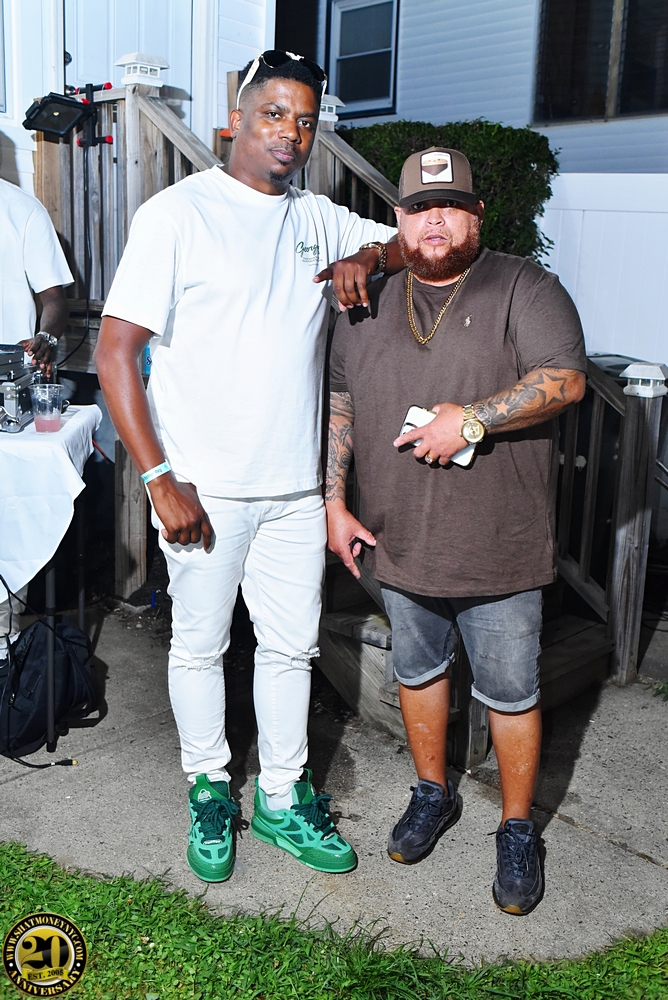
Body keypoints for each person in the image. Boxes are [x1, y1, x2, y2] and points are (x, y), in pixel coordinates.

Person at [95, 50, 400, 883]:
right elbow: (116, 353)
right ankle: (207, 789)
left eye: (306, 120)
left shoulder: (319, 218)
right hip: (204, 487)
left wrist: (367, 259)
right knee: (200, 647)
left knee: (289, 650)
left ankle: (281, 797)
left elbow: (411, 243)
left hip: (295, 490)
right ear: (236, 120)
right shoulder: (177, 214)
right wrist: (159, 478)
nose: (291, 133)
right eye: (274, 114)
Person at [325, 146, 586, 915]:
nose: (434, 221)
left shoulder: (525, 287)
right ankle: (431, 793)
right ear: (398, 220)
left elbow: (566, 380)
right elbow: (340, 403)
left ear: (476, 214)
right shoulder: (366, 301)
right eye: (419, 208)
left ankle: (516, 828)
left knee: (510, 692)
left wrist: (470, 418)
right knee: (417, 675)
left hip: (500, 547)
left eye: (450, 206)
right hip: (400, 539)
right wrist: (333, 501)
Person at [0, 178, 73, 659]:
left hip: (6, 381)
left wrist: (45, 338)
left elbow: (54, 300)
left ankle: (3, 652)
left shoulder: (21, 210)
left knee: (6, 523)